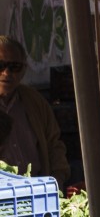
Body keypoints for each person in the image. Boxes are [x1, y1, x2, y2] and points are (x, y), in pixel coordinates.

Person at [0, 37, 69, 185]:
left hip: (37, 192)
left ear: (24, 69)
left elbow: (54, 144)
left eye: (14, 66)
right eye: (1, 66)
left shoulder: (34, 102)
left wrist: (58, 179)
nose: (6, 73)